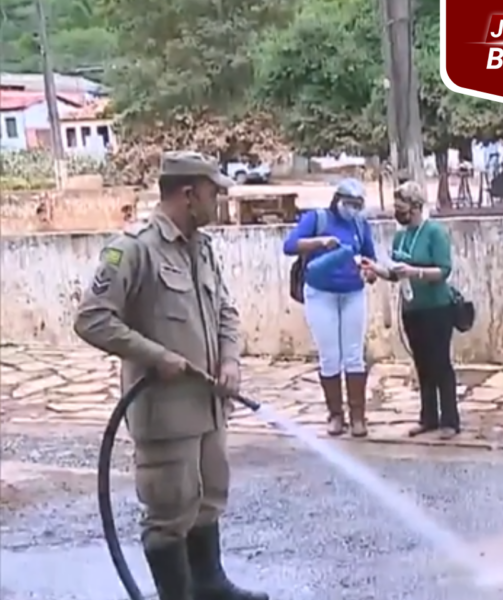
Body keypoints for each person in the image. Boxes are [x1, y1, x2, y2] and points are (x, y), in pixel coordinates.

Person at [73, 151, 268, 600]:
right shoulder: (134, 249)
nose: (217, 199)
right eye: (212, 191)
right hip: (165, 411)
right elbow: (92, 319)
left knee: (208, 496)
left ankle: (210, 584)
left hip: (208, 405)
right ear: (187, 194)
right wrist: (155, 355)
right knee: (169, 509)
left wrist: (230, 359)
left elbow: (225, 311)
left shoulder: (201, 247)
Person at [361, 181, 461, 440]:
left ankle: (450, 419)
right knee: (422, 364)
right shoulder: (400, 235)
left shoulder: (435, 233)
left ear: (415, 207)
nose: (398, 211)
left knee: (440, 364)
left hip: (436, 307)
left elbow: (443, 270)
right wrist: (375, 269)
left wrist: (416, 272)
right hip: (411, 308)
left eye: (401, 207)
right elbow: (396, 273)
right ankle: (428, 417)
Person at [282, 179, 378, 438]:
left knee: (354, 354)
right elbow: (289, 246)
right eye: (349, 204)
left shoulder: (360, 224)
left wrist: (369, 272)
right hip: (320, 293)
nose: (353, 209)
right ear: (337, 200)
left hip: (352, 292)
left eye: (358, 205)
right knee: (329, 354)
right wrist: (321, 243)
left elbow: (370, 257)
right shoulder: (318, 219)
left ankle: (358, 416)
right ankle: (336, 414)